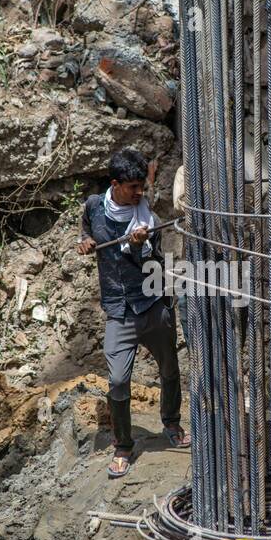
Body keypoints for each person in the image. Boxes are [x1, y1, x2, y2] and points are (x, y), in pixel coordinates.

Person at [77, 149, 190, 478]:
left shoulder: (148, 221)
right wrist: (84, 241)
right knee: (117, 381)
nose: (141, 192)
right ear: (116, 184)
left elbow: (153, 267)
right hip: (119, 311)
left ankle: (171, 423)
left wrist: (141, 245)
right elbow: (85, 229)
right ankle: (123, 445)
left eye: (143, 186)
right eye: (134, 187)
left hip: (153, 306)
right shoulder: (95, 206)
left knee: (169, 369)